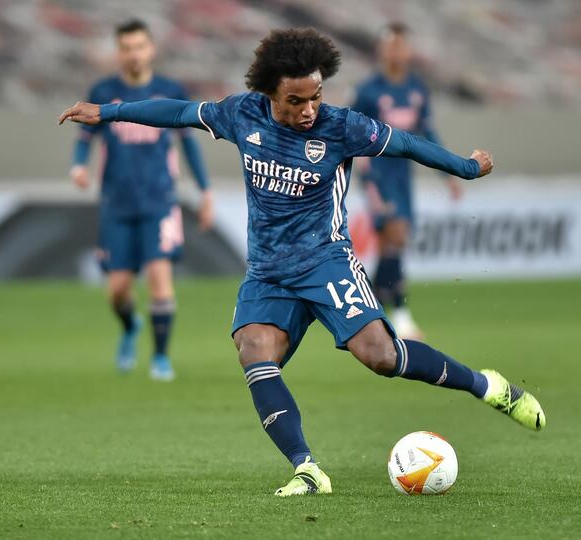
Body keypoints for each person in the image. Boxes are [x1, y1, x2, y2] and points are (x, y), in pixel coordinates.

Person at [60, 27, 545, 496]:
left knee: (382, 357)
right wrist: (108, 111)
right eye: (296, 101)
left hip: (326, 261)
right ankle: (307, 469)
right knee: (253, 351)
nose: (310, 108)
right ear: (270, 93)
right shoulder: (241, 114)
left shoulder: (342, 125)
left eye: (315, 96)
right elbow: (179, 113)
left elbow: (407, 143)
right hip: (269, 272)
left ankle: (488, 387)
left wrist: (464, 167)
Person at [70, 19, 214, 382]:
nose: (133, 53)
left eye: (139, 46)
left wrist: (205, 190)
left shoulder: (168, 90)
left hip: (160, 200)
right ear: (118, 52)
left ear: (151, 49)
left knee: (160, 277)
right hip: (117, 202)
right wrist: (78, 167)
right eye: (126, 47)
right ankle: (130, 325)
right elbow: (86, 136)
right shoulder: (104, 89)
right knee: (117, 290)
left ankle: (161, 358)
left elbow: (189, 143)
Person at [352, 22, 463, 339]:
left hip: (402, 175)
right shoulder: (368, 91)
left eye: (401, 46)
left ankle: (367, 309)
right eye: (391, 46)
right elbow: (349, 130)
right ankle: (401, 317)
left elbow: (428, 134)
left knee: (391, 244)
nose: (396, 52)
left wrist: (448, 173)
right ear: (381, 50)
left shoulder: (417, 89)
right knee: (396, 236)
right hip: (375, 173)